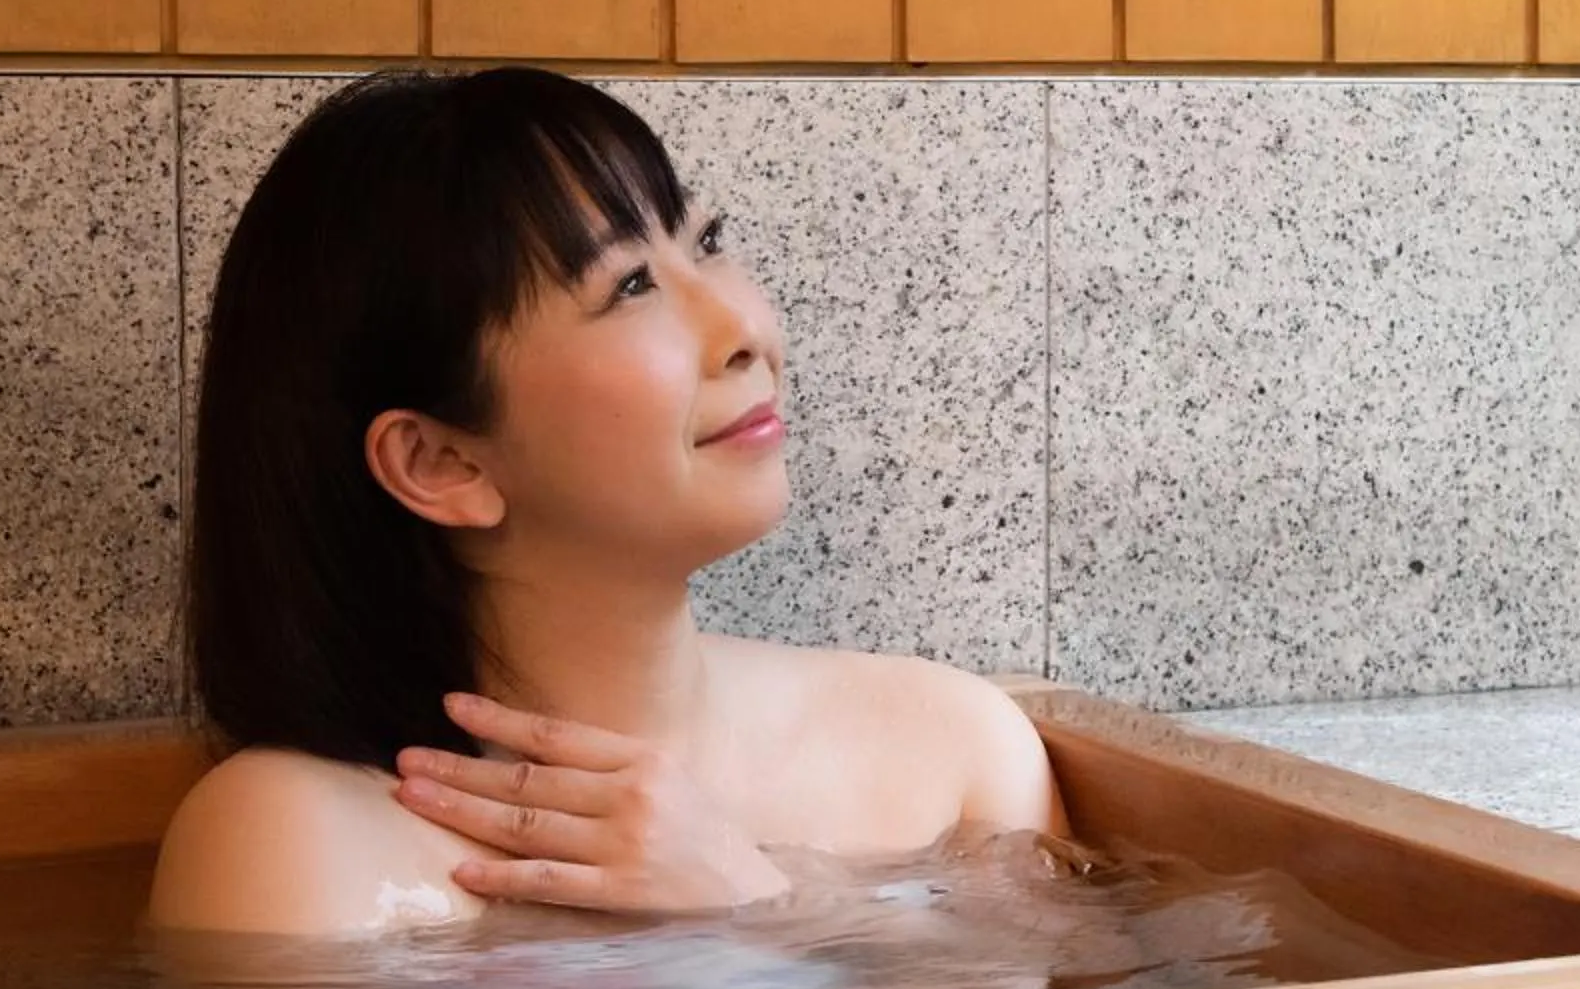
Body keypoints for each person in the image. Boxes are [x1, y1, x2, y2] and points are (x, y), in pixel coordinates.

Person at [146, 67, 1064, 939]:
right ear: (439, 462)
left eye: (705, 240)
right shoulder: (308, 847)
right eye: (630, 286)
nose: (744, 328)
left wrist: (753, 904)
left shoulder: (955, 752)